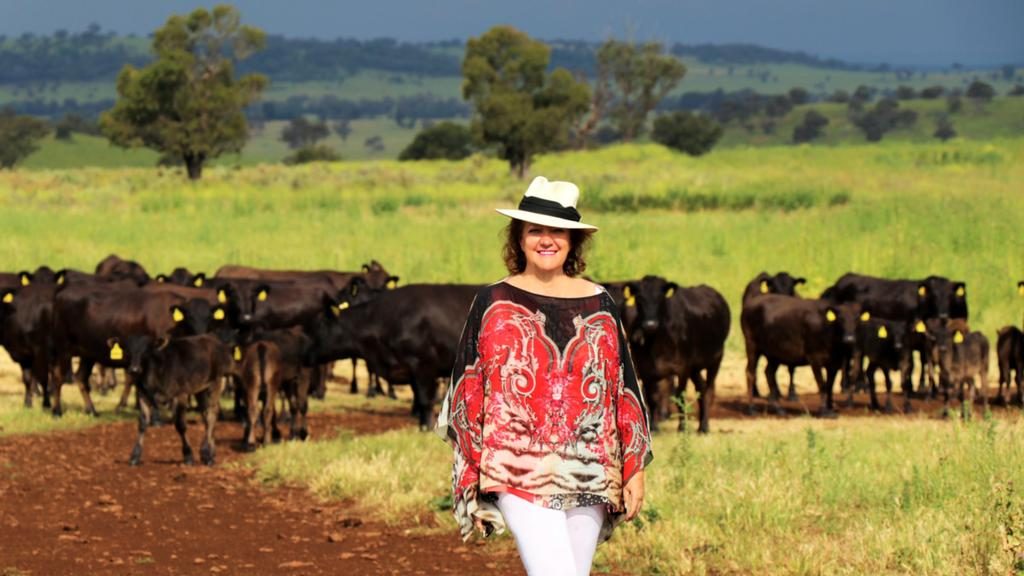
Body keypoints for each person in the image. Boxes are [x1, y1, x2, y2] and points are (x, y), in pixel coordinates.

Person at [435, 176, 653, 576]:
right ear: (519, 239)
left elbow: (623, 389)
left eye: (558, 231)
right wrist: (469, 475)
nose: (546, 240)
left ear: (573, 242)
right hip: (514, 464)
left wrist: (633, 468)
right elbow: (468, 390)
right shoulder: (492, 301)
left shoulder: (601, 302)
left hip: (592, 466)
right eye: (535, 230)